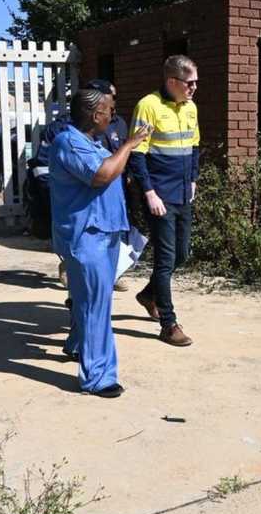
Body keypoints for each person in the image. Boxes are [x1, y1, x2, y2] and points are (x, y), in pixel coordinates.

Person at [49, 88, 151, 398]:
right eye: (110, 110)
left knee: (90, 299)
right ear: (96, 115)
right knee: (96, 305)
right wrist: (130, 144)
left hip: (104, 233)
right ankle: (98, 377)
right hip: (86, 236)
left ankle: (77, 344)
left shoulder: (90, 142)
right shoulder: (68, 142)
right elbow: (101, 174)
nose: (113, 115)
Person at [129, 55, 200, 346]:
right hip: (159, 196)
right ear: (172, 81)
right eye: (189, 82)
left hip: (183, 193)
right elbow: (137, 154)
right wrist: (149, 193)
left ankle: (148, 295)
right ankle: (169, 324)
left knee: (182, 254)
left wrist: (193, 179)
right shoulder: (148, 105)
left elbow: (194, 147)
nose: (194, 88)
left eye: (195, 82)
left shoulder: (191, 107)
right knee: (165, 259)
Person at [34, 79, 130, 292]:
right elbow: (44, 167)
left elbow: (116, 162)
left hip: (106, 217)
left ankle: (109, 276)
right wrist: (58, 197)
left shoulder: (117, 124)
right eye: (108, 100)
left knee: (99, 293)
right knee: (87, 293)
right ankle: (70, 272)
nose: (112, 106)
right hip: (83, 219)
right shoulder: (64, 133)